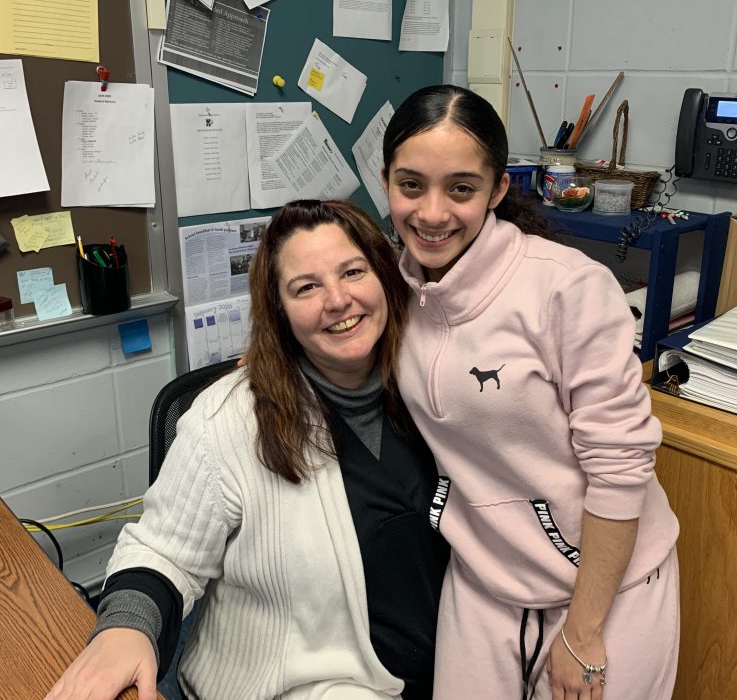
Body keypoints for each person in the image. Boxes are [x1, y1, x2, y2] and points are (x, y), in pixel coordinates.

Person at [45, 200, 449, 700]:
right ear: (278, 310)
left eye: (353, 271)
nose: (338, 299)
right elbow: (161, 550)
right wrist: (125, 628)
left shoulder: (435, 387)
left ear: (385, 277)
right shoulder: (230, 420)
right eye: (307, 287)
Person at [381, 85, 680, 700]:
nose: (432, 213)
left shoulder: (568, 289)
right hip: (486, 580)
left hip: (603, 590)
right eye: (411, 185)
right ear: (386, 182)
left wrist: (583, 631)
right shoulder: (394, 288)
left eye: (460, 189)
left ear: (496, 191)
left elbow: (621, 466)